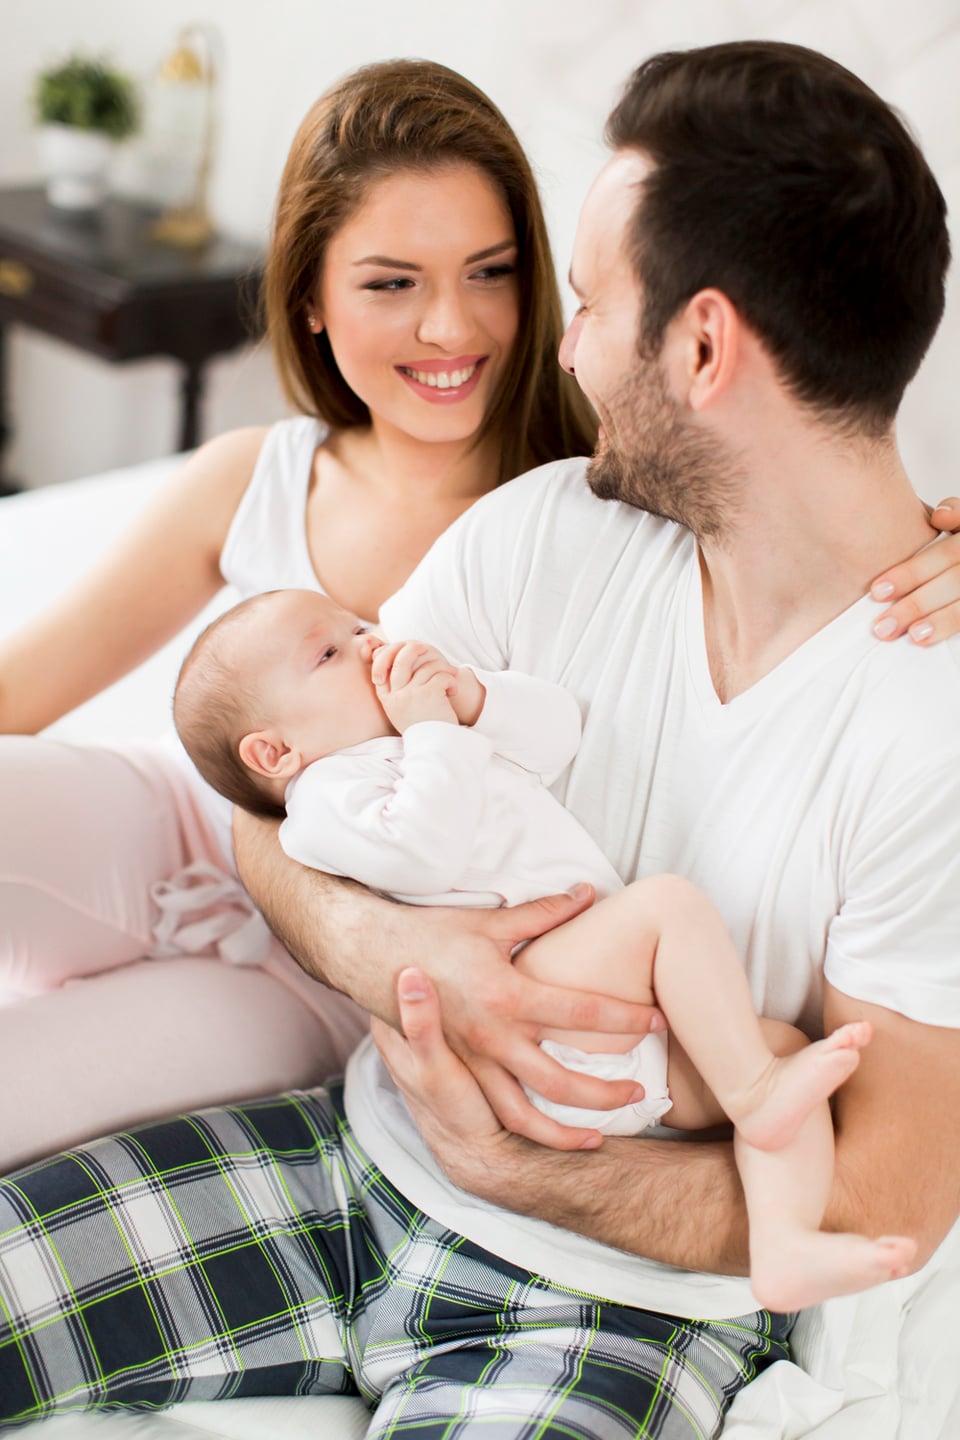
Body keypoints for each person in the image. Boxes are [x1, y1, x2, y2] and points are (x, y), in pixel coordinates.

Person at [1, 41, 960, 1438]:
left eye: (584, 300)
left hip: (613, 1304)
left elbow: (888, 1192)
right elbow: (275, 811)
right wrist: (393, 956)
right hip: (345, 1161)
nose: (557, 349)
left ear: (701, 347)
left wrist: (522, 1170)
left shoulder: (926, 730)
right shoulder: (540, 531)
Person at [174, 583, 914, 1311]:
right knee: (663, 908)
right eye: (332, 651)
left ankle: (783, 1244)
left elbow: (560, 733)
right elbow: (423, 853)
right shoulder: (328, 798)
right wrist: (434, 731)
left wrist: (470, 702)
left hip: (595, 1033)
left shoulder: (438, 741)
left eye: (361, 625)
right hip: (524, 1008)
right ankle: (754, 1093)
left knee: (778, 1043)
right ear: (275, 752)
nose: (372, 643)